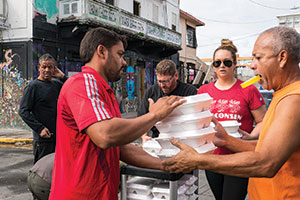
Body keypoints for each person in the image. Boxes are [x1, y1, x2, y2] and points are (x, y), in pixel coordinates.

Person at [162, 26, 300, 200]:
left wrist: (198, 160)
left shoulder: (294, 99)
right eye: (217, 62)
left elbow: (267, 162)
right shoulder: (282, 94)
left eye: (258, 57)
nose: (252, 65)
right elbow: (265, 147)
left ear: (282, 58)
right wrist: (227, 140)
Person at [49, 27, 184, 200]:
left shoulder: (104, 91)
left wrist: (166, 165)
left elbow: (120, 148)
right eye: (120, 54)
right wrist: (154, 115)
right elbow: (105, 135)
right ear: (102, 51)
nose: (124, 62)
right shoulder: (82, 83)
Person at [196, 39, 266, 200]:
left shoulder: (248, 89)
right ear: (213, 65)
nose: (222, 66)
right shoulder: (204, 90)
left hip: (239, 157)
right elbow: (199, 121)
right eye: (217, 62)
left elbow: (263, 121)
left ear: (234, 64)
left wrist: (252, 136)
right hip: (212, 157)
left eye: (227, 62)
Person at [19, 53, 67, 163]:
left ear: (54, 69)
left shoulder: (57, 85)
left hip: (59, 139)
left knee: (58, 173)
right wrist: (39, 129)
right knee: (42, 174)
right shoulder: (32, 87)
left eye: (50, 67)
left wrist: (63, 77)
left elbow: (74, 88)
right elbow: (23, 111)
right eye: (44, 67)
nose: (47, 70)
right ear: (38, 68)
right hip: (43, 141)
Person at [137, 59, 197, 143]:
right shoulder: (151, 92)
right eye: (159, 81)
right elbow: (141, 118)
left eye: (166, 81)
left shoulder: (190, 91)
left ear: (176, 76)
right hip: (158, 139)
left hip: (184, 139)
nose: (162, 85)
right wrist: (144, 137)